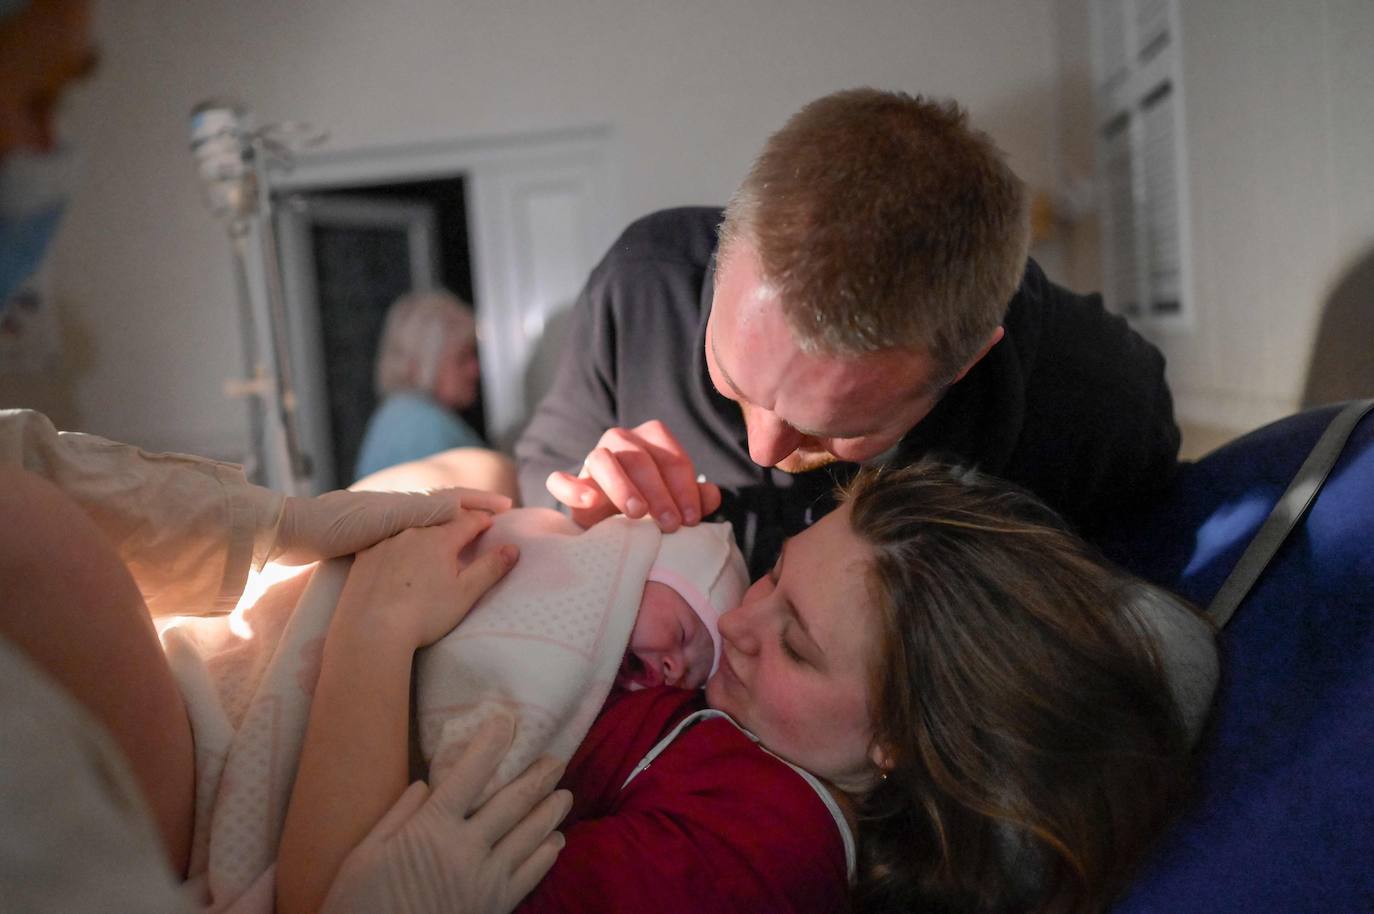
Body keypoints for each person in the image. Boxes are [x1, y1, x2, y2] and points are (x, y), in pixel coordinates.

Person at [0, 2, 564, 911]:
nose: (42, 145)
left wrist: (281, 523)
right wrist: (372, 627)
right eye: (37, 94)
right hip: (229, 768)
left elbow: (28, 462)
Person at [266, 460, 1218, 914]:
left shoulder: (766, 849)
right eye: (773, 577)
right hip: (349, 645)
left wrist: (375, 630)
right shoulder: (758, 719)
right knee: (467, 473)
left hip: (297, 737)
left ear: (905, 740)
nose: (737, 626)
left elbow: (334, 898)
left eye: (796, 647)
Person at [516, 89, 1181, 577]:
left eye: (831, 428)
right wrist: (584, 504)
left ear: (965, 362)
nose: (765, 448)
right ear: (724, 260)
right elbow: (542, 462)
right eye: (730, 376)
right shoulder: (645, 285)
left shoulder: (1099, 407)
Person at [266, 510, 747, 913]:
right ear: (636, 568)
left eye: (689, 675)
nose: (671, 667)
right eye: (683, 635)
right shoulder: (549, 565)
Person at [354, 289, 499, 484]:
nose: (475, 369)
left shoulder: (399, 414)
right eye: (463, 357)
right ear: (426, 363)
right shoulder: (422, 427)